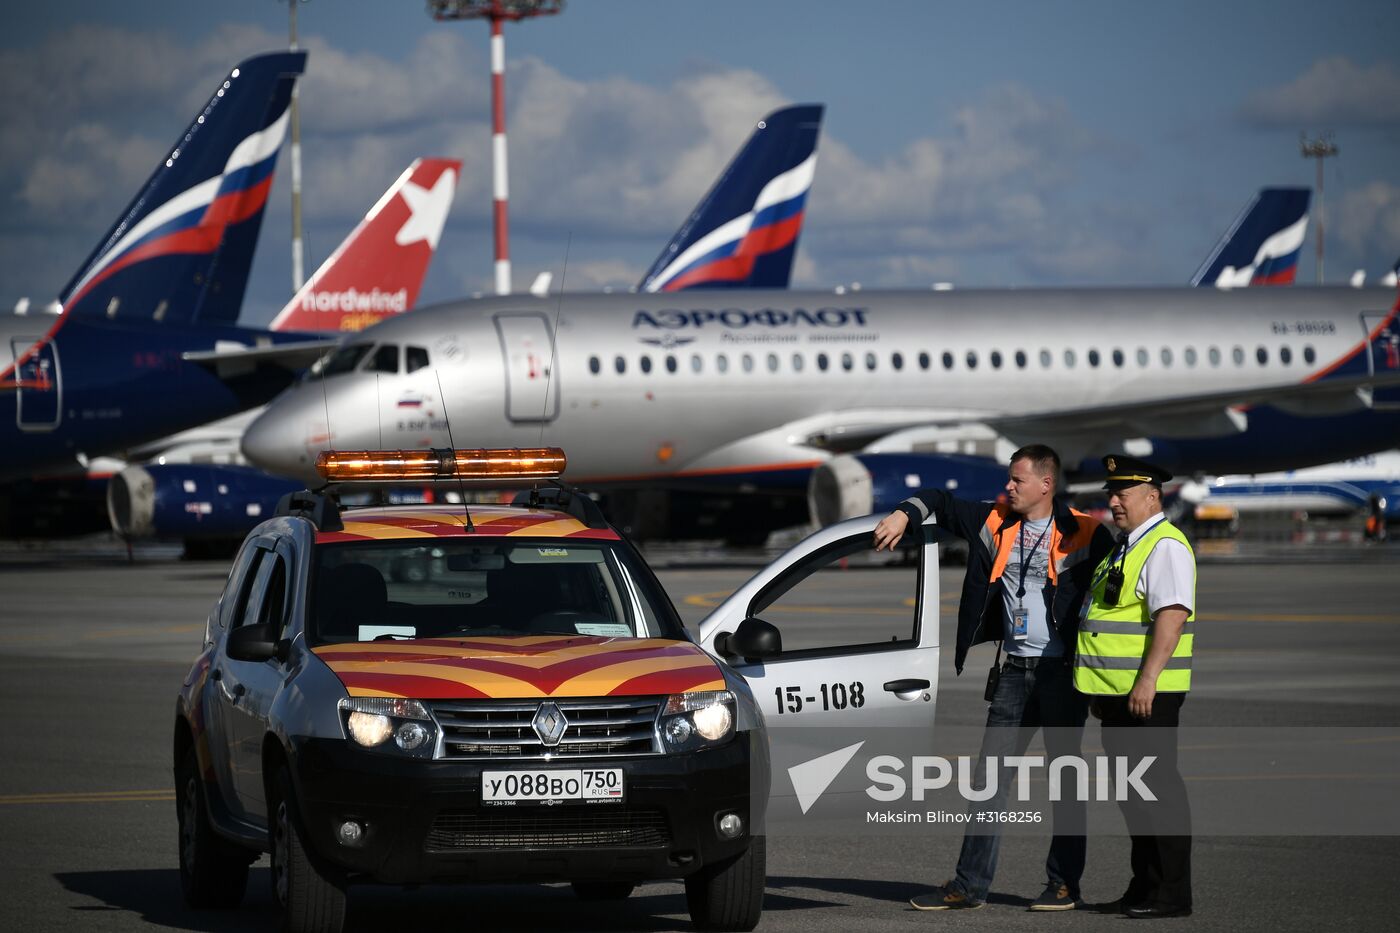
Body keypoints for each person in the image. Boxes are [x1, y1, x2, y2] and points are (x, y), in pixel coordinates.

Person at [873, 444, 1113, 912]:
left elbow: (1111, 605)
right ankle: (969, 885)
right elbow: (939, 499)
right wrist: (904, 514)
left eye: (1017, 480)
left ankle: (1064, 885)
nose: (1008, 487)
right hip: (1013, 674)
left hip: (1061, 675)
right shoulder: (994, 520)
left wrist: (1105, 680)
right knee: (989, 783)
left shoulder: (1087, 532)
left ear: (1046, 484)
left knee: (1066, 781)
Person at [1076, 455, 1195, 919]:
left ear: (1152, 496)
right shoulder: (1127, 545)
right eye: (1111, 493)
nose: (1113, 502)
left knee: (1157, 795)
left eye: (1121, 494)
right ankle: (1144, 888)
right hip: (1120, 696)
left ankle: (1171, 894)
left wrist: (1146, 680)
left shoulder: (1165, 546)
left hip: (1149, 695)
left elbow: (1171, 615)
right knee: (1135, 797)